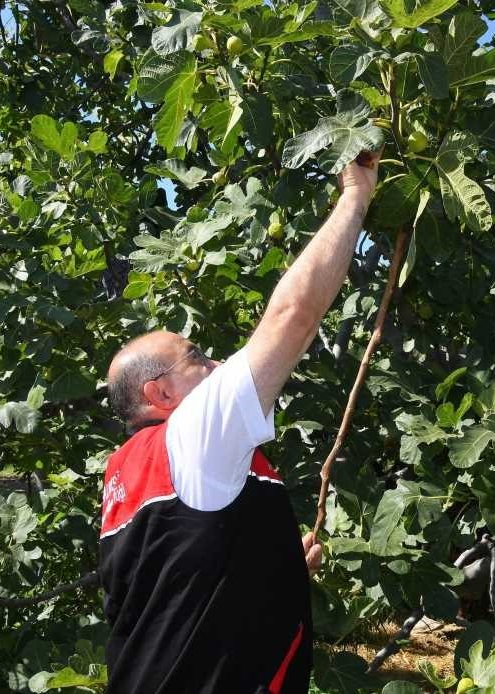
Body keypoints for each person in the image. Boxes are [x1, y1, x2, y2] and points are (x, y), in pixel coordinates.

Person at [98, 150, 381, 693]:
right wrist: (356, 194)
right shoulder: (191, 434)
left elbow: (179, 584)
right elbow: (293, 316)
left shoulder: (127, 471)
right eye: (196, 357)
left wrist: (270, 567)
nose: (215, 364)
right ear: (161, 393)